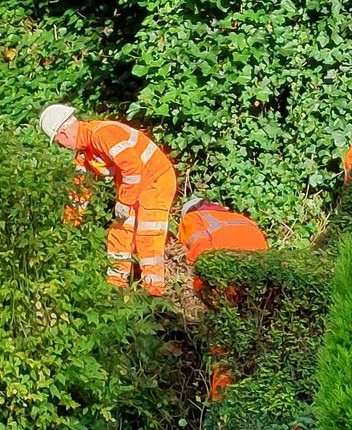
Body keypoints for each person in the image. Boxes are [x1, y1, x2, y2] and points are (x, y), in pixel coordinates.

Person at [39, 104, 176, 296]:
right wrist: (69, 227)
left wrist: (125, 201)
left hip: (156, 180)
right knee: (120, 232)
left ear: (64, 133)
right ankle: (115, 286)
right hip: (133, 188)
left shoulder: (103, 134)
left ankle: (153, 292)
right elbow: (79, 192)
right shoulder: (85, 154)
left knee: (148, 234)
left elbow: (132, 169)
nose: (62, 146)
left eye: (59, 142)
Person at [177, 197, 269, 265]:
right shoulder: (243, 218)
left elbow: (200, 250)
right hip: (261, 266)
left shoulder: (193, 216)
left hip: (226, 267)